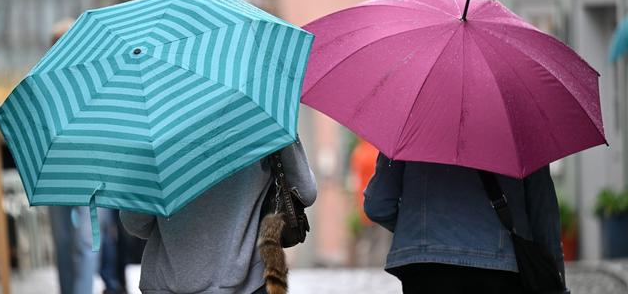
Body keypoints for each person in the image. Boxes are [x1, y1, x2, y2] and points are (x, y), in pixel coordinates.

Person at [120, 140, 317, 294]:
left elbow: (135, 222)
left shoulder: (157, 131)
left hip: (167, 281)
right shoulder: (262, 117)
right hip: (247, 280)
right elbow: (306, 192)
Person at [364, 154, 564, 294]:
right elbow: (543, 213)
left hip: (425, 270)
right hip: (501, 267)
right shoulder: (521, 123)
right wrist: (556, 281)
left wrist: (419, 230)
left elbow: (377, 205)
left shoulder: (409, 124)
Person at [47, 18, 99, 294]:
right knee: (63, 240)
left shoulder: (95, 78)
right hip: (57, 170)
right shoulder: (44, 83)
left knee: (85, 241)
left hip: (90, 169)